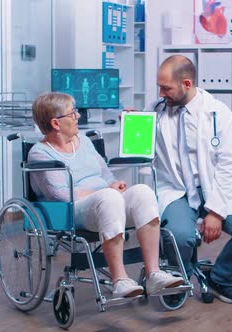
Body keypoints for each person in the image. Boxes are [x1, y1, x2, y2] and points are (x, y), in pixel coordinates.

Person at [27, 92, 184, 298]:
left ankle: (154, 274)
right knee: (108, 198)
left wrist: (113, 184)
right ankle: (119, 280)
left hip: (106, 201)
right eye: (72, 113)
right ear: (56, 123)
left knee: (143, 192)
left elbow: (105, 173)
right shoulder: (39, 153)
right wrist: (104, 191)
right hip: (73, 211)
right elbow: (61, 194)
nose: (78, 116)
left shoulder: (83, 140)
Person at [149, 55, 232, 304]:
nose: (161, 93)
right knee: (181, 236)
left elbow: (230, 164)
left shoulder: (218, 113)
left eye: (166, 88)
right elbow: (142, 149)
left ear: (187, 84)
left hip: (214, 188)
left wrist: (215, 211)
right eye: (159, 87)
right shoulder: (157, 111)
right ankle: (177, 280)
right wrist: (132, 124)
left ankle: (220, 278)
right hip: (177, 191)